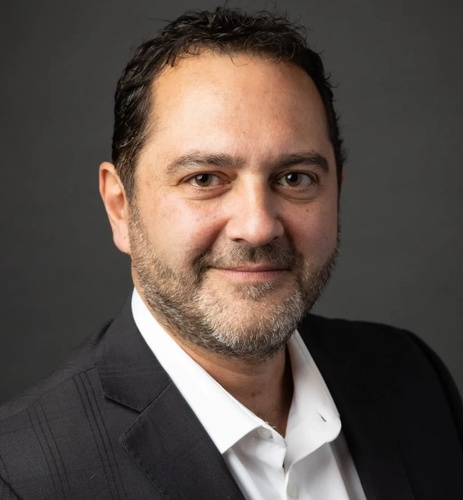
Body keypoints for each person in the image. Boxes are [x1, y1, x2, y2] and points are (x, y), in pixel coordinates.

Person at [0, 6, 462, 499]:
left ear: (336, 193)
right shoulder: (20, 475)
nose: (258, 227)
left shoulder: (412, 377)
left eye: (295, 178)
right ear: (120, 206)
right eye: (204, 179)